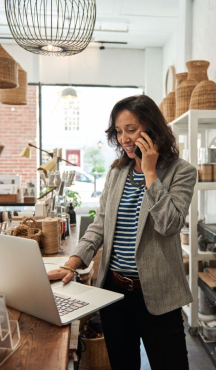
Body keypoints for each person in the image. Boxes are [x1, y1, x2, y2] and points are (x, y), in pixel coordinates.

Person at [48, 95, 197, 370]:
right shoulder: (117, 173)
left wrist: (150, 174)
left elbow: (170, 224)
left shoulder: (181, 172)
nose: (124, 138)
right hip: (114, 294)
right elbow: (99, 226)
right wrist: (73, 262)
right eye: (118, 131)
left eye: (131, 129)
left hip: (159, 296)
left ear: (152, 129)